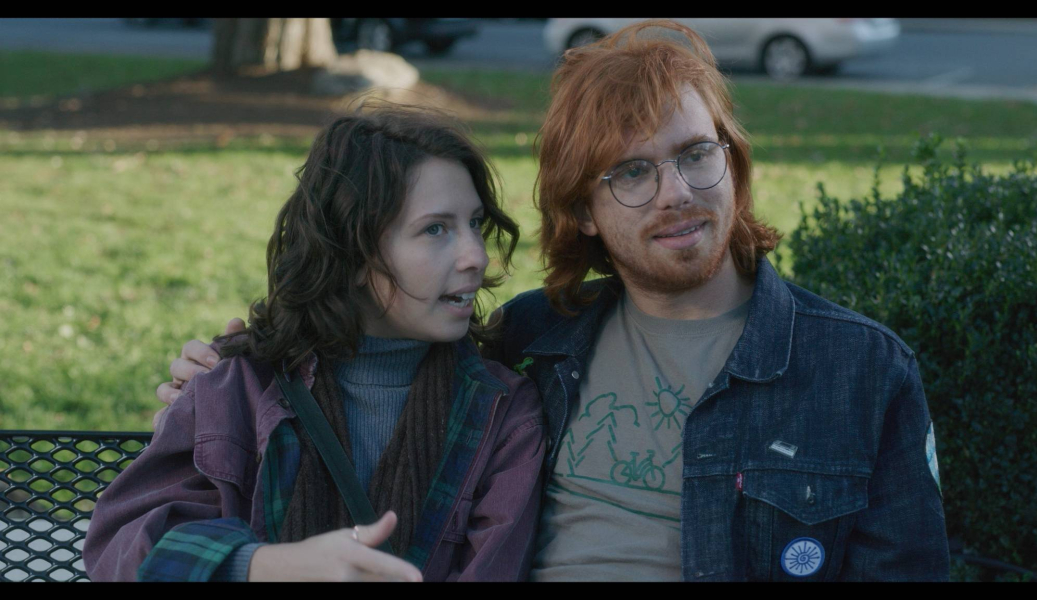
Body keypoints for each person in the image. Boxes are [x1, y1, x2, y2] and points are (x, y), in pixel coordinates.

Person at [157, 21, 949, 581]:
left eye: (695, 155)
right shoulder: (532, 343)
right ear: (582, 212)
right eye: (631, 173)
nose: (676, 192)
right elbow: (359, 344)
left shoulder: (858, 370)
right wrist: (217, 374)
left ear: (733, 166)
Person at [85, 103, 546, 582]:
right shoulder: (239, 386)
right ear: (354, 250)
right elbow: (124, 550)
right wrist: (264, 567)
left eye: (475, 223)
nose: (476, 256)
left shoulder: (502, 414)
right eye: (435, 229)